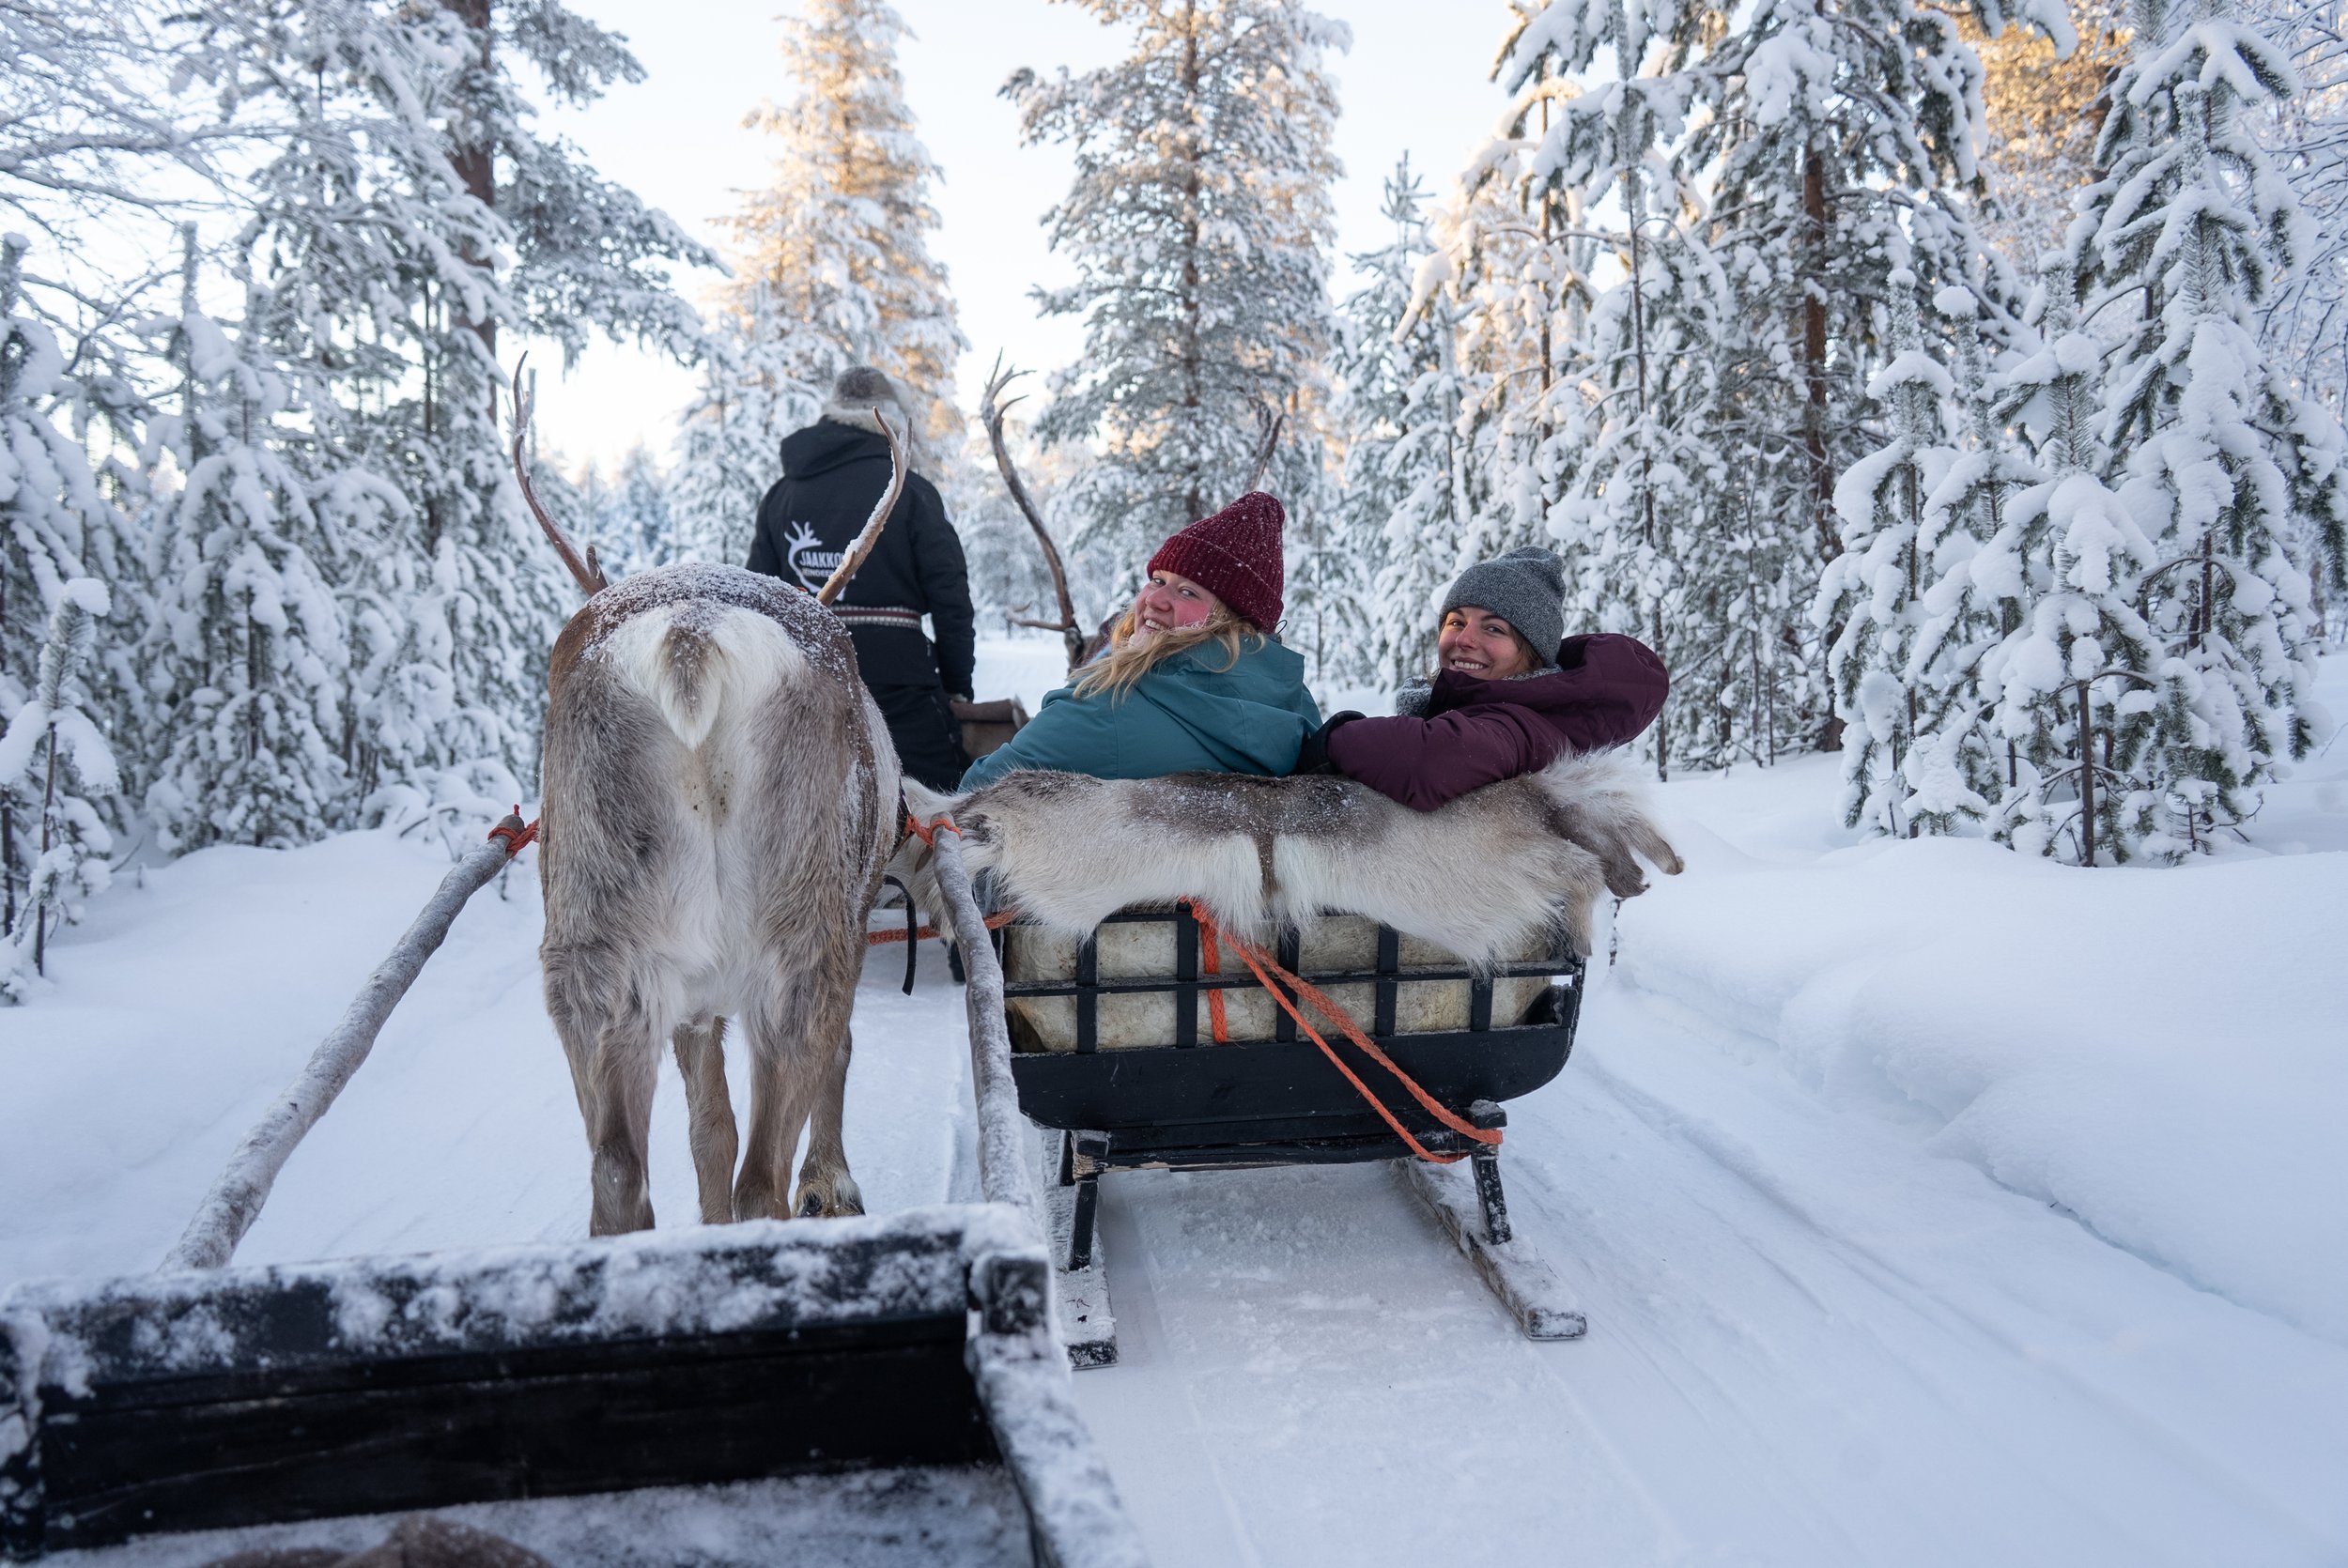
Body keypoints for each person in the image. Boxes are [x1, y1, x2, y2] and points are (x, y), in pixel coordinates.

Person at [958, 492, 1321, 791]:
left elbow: (977, 793)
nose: (1156, 600)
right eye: (1158, 581)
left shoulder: (1106, 707)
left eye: (1188, 592)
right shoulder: (1297, 713)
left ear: (1235, 622)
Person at [747, 366, 975, 789]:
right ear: (888, 416)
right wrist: (958, 685)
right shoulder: (909, 489)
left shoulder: (781, 495)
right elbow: (951, 598)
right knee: (930, 813)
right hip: (901, 685)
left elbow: (756, 603)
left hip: (802, 680)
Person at [1305, 546, 1668, 811]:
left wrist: (1323, 742)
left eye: (1493, 629)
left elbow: (1429, 759)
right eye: (1456, 622)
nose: (1464, 639)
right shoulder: (1493, 708)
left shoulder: (1523, 721)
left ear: (1530, 655)